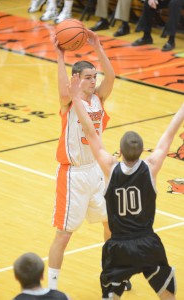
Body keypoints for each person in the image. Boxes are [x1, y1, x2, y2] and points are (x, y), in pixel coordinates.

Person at [69, 74, 184, 299]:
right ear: (143, 152)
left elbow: (91, 133)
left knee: (111, 295)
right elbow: (169, 135)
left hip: (119, 245)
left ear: (119, 152)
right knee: (168, 295)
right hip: (147, 242)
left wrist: (75, 97)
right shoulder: (150, 167)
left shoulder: (111, 168)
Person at [48, 29, 131, 292]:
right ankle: (51, 288)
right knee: (64, 234)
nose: (93, 81)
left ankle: (112, 273)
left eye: (94, 77)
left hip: (96, 172)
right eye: (88, 77)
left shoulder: (98, 99)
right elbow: (63, 88)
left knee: (111, 224)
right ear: (76, 79)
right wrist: (60, 55)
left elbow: (112, 76)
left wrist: (97, 46)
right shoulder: (69, 103)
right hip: (72, 175)